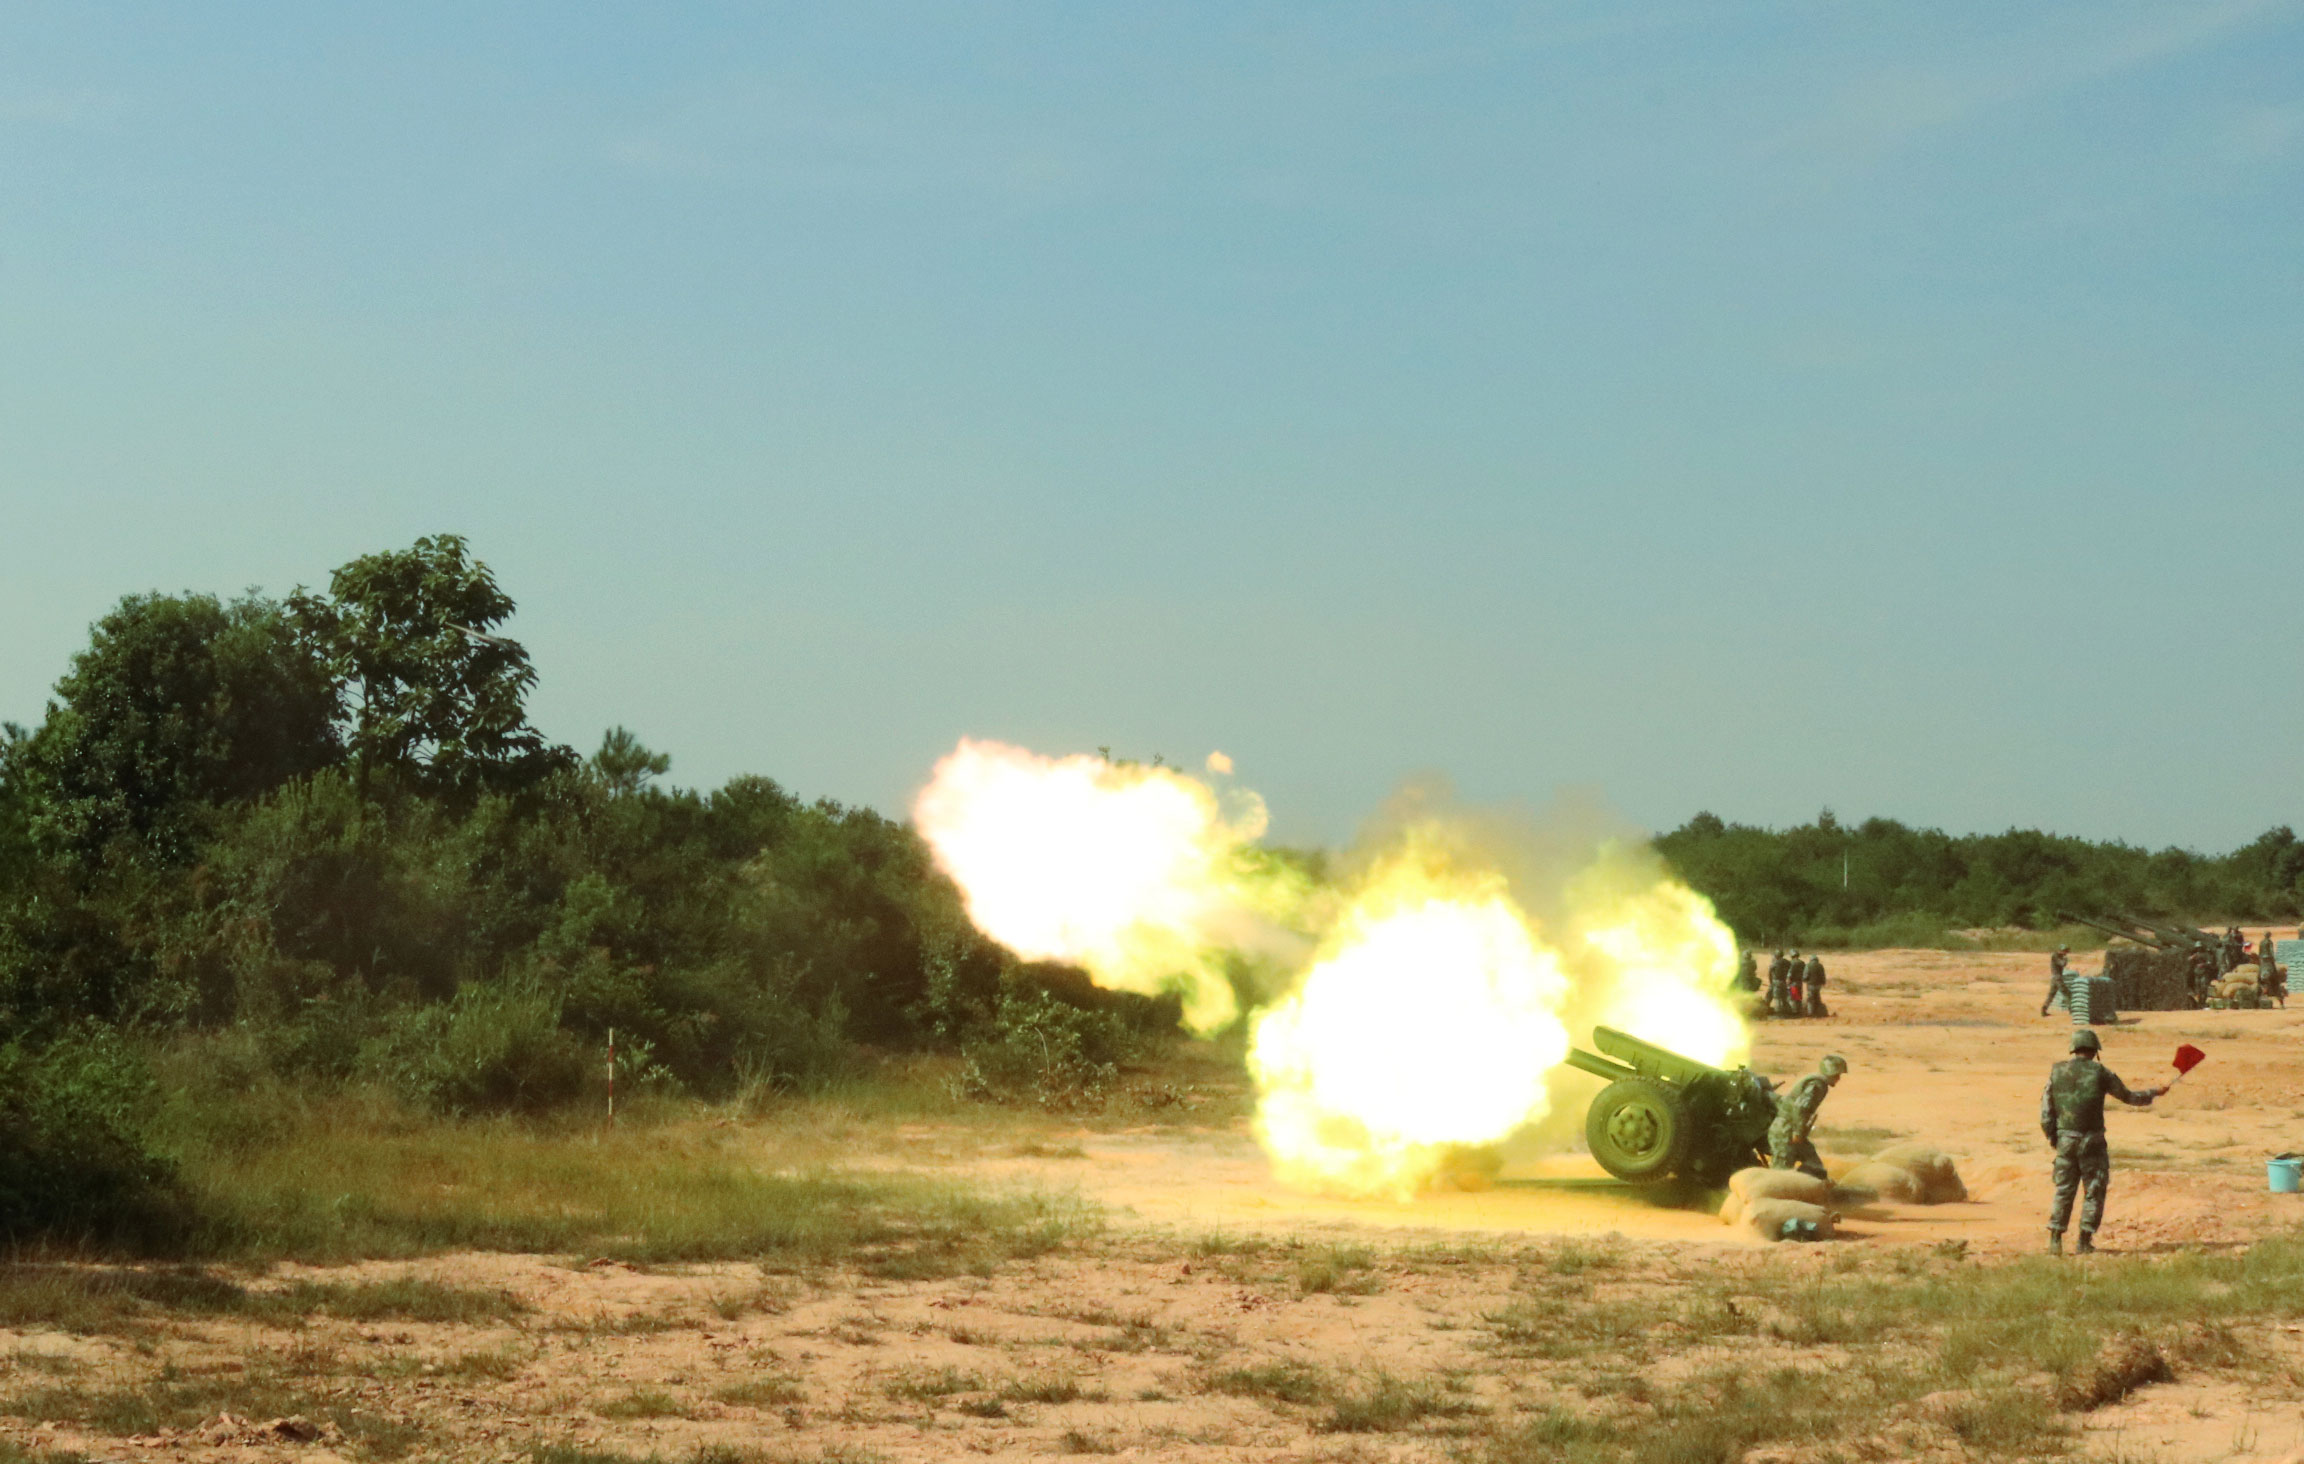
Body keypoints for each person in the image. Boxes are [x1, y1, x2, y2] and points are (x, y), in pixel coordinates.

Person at [2040, 1028, 2163, 1255]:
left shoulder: (2056, 1072)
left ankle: (2055, 1240)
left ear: (2073, 1049)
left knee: (2064, 1190)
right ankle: (2084, 1242)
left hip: (2066, 1140)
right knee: (2094, 1190)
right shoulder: (2101, 1073)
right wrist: (2153, 1093)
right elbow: (2129, 1097)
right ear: (2095, 1050)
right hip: (2092, 1141)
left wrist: (2055, 1138)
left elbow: (2046, 1111)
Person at [1768, 1054, 1847, 1180]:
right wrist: (1798, 1132)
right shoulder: (1817, 1084)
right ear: (1829, 1073)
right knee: (1781, 1174)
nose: (1838, 1078)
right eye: (1836, 1075)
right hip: (1786, 1130)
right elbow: (1801, 1107)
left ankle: (1801, 1189)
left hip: (1790, 1129)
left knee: (1815, 1167)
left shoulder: (1817, 1083)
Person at [1766, 950, 1791, 1017]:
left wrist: (1771, 982)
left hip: (1776, 982)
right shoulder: (1787, 962)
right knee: (1784, 997)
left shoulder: (1775, 963)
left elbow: (1770, 973)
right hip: (1784, 982)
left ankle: (1778, 1013)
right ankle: (1788, 1011)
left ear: (1776, 955)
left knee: (1774, 997)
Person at [1803, 953, 1829, 1018]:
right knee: (1817, 998)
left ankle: (1811, 1013)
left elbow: (1805, 976)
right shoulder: (1820, 966)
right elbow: (1823, 976)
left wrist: (1805, 980)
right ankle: (1818, 1013)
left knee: (1810, 999)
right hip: (1818, 985)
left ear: (1811, 960)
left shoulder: (1808, 966)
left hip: (1811, 985)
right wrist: (1823, 982)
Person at [1785, 950, 1806, 1017]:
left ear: (1791, 955)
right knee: (1799, 997)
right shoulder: (1802, 963)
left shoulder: (1791, 963)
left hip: (1793, 983)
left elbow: (1790, 973)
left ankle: (1794, 1012)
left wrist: (1787, 982)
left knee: (1792, 997)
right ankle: (1800, 1011)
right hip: (1800, 982)